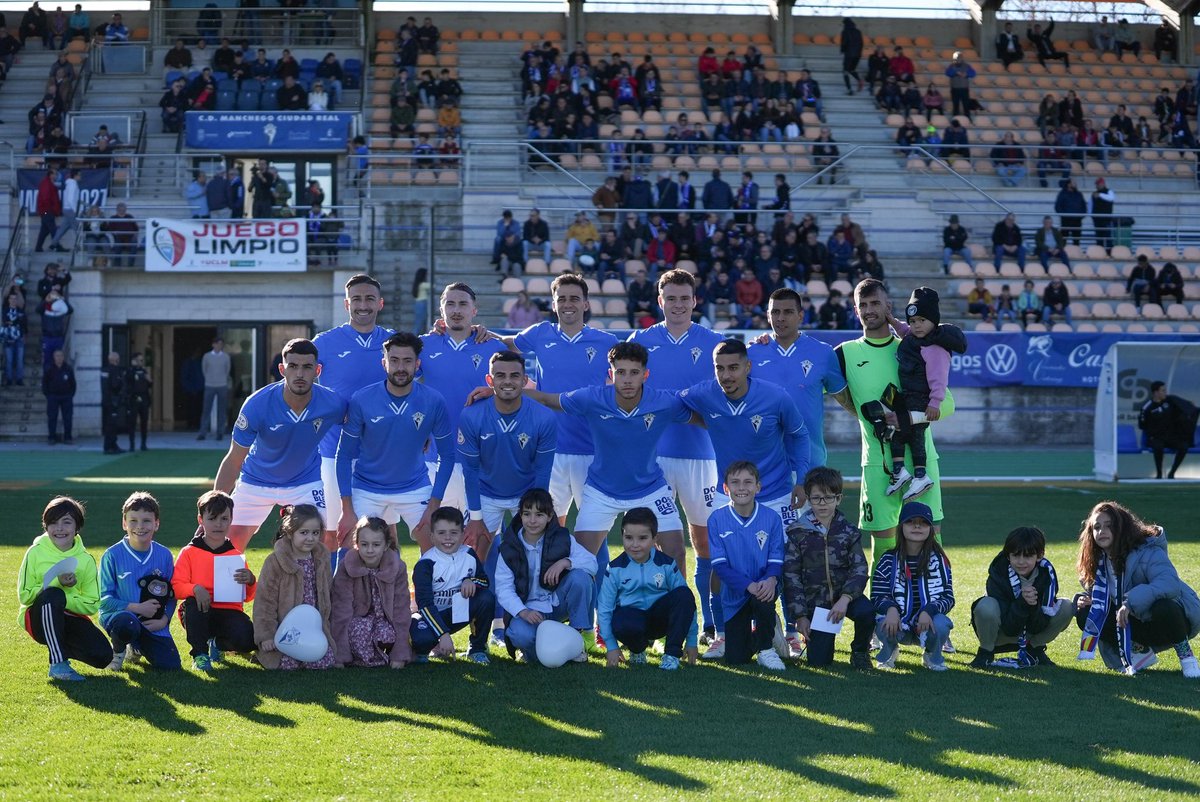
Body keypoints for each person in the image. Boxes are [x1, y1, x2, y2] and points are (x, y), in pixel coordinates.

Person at [679, 337, 811, 658]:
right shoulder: (704, 394)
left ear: (748, 367)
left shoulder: (775, 397)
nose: (726, 375)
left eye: (734, 367)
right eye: (719, 368)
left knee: (788, 562)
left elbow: (799, 435)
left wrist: (802, 479)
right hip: (730, 494)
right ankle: (722, 633)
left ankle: (791, 633)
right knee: (718, 562)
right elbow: (674, 405)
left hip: (777, 493)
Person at [832, 279, 951, 581]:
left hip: (922, 464)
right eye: (863, 305)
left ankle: (933, 608)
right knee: (883, 548)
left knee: (930, 543)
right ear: (855, 310)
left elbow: (948, 405)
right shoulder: (844, 354)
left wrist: (906, 418)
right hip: (878, 465)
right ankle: (882, 610)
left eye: (875, 303)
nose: (869, 310)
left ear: (889, 306)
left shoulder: (914, 348)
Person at [627, 270, 724, 606]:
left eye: (684, 298)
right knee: (661, 541)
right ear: (660, 301)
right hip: (655, 457)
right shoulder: (640, 341)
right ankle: (668, 614)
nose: (678, 304)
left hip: (703, 456)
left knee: (706, 541)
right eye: (671, 298)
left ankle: (711, 620)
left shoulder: (714, 342)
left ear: (695, 301)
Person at [214, 339, 348, 551]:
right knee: (225, 543)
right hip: (256, 481)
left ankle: (315, 576)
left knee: (319, 542)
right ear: (282, 369)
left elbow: (361, 422)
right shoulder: (257, 404)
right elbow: (234, 460)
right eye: (293, 366)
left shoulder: (333, 403)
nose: (300, 374)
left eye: (307, 367)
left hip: (304, 482)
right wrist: (215, 505)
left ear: (318, 370)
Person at [507, 273, 618, 528]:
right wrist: (475, 331)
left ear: (586, 304)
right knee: (546, 527)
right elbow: (504, 344)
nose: (568, 304)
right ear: (554, 304)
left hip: (590, 449)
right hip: (548, 449)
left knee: (592, 529)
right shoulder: (540, 333)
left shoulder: (607, 342)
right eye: (562, 299)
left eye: (574, 298)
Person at [336, 331, 453, 556]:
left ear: (417, 364)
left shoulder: (433, 400)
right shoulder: (362, 399)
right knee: (349, 553)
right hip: (367, 487)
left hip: (414, 486)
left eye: (407, 361)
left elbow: (447, 455)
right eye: (394, 360)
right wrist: (347, 509)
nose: (401, 367)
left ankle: (424, 582)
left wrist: (434, 505)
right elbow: (344, 455)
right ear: (384, 363)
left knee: (438, 549)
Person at [313, 275, 392, 554]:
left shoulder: (394, 341)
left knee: (386, 531)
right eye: (356, 299)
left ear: (380, 303)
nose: (363, 305)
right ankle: (330, 582)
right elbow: (301, 384)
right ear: (347, 304)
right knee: (333, 532)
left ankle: (387, 583)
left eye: (370, 298)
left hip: (383, 454)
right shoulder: (324, 343)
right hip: (334, 452)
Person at [1075, 501, 1199, 676]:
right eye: (1097, 527)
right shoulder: (1095, 562)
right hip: (1131, 624)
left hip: (1166, 621)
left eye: (1109, 526)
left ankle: (1187, 657)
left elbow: (1169, 584)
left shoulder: (1148, 550)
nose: (1102, 531)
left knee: (1164, 606)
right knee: (1085, 613)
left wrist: (1130, 602)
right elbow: (1103, 598)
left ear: (1122, 527)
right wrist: (1085, 600)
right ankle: (1139, 652)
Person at [457, 350, 556, 568]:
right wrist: (475, 517)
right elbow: (470, 471)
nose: (508, 381)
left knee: (534, 560)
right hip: (486, 493)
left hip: (526, 493)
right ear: (489, 380)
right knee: (472, 561)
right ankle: (480, 590)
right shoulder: (471, 415)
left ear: (525, 380)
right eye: (500, 375)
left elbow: (543, 470)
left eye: (514, 376)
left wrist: (536, 511)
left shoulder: (544, 417)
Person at [418, 283, 507, 514]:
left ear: (474, 310)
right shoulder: (423, 346)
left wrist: (494, 391)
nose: (456, 310)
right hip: (434, 457)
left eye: (463, 304)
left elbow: (517, 390)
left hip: (482, 458)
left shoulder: (494, 348)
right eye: (450, 304)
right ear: (441, 310)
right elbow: (400, 386)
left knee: (482, 530)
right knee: (435, 529)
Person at [783, 467, 875, 669]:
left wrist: (845, 599)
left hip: (845, 598)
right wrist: (801, 616)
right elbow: (791, 576)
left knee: (867, 611)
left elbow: (859, 568)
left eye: (828, 497)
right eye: (816, 498)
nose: (822, 503)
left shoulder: (849, 531)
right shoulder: (797, 532)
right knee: (819, 662)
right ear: (808, 499)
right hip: (817, 604)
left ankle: (860, 651)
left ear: (838, 498)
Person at [494, 489, 597, 664]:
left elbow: (592, 563)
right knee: (520, 635)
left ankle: (576, 640)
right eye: (527, 514)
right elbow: (503, 589)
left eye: (539, 514)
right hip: (529, 611)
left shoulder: (562, 538)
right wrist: (523, 611)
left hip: (557, 604)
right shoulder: (509, 547)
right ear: (520, 515)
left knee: (580, 577)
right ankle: (532, 653)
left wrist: (565, 562)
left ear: (550, 517)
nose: (532, 520)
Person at [747, 288, 845, 469]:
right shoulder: (751, 354)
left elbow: (844, 397)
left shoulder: (823, 353)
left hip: (810, 463)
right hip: (765, 467)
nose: (780, 318)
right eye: (775, 312)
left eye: (788, 312)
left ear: (801, 316)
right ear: (768, 316)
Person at [17, 496, 112, 681]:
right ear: (46, 526)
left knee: (103, 656)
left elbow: (92, 604)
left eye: (66, 522)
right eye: (53, 523)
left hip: (69, 617)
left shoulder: (85, 560)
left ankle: (59, 644)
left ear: (77, 527)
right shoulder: (35, 552)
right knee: (53, 594)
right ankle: (58, 664)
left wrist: (64, 600)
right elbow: (24, 595)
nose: (59, 528)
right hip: (37, 619)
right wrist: (55, 584)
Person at [887, 288, 965, 502]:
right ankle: (904, 472)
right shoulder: (913, 337)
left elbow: (939, 378)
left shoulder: (935, 348)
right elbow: (904, 331)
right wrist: (892, 321)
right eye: (913, 321)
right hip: (908, 396)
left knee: (911, 436)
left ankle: (917, 475)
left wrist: (935, 402)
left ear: (934, 321)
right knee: (903, 434)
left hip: (921, 399)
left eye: (922, 320)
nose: (917, 325)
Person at [707, 461, 787, 670]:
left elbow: (776, 560)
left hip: (764, 585)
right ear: (726, 488)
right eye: (735, 482)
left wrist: (771, 579)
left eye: (748, 482)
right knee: (736, 658)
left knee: (763, 597)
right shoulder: (716, 519)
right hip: (735, 592)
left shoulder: (771, 518)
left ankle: (766, 650)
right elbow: (720, 566)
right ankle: (767, 629)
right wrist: (747, 585)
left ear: (757, 487)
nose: (741, 487)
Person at [598, 507, 699, 671]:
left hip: (660, 620)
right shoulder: (615, 568)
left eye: (642, 538)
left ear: (654, 539)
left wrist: (692, 640)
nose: (635, 545)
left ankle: (672, 655)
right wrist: (611, 646)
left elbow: (687, 603)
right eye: (628, 538)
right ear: (622, 536)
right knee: (622, 622)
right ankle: (637, 650)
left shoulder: (666, 564)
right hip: (633, 621)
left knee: (683, 593)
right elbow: (604, 609)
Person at [172, 490, 257, 672]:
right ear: (200, 520)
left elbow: (247, 597)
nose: (218, 524)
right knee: (194, 603)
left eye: (224, 519)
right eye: (212, 518)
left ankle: (217, 644)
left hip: (229, 612)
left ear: (231, 520)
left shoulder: (235, 555)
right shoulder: (189, 552)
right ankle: (200, 655)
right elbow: (177, 587)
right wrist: (195, 589)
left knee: (249, 640)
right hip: (198, 612)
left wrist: (251, 581)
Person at [970, 525, 1074, 669]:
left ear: (1040, 556)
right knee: (986, 605)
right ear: (1008, 555)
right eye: (1016, 555)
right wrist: (1022, 602)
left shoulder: (1046, 575)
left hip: (1031, 632)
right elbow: (1009, 628)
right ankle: (985, 652)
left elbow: (1039, 625)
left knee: (1068, 607)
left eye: (1028, 556)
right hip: (1002, 633)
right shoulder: (998, 573)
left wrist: (1032, 605)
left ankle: (1035, 649)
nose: (1021, 561)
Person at [97, 492, 180, 671]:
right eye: (133, 521)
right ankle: (118, 651)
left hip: (152, 622)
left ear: (156, 524)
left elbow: (172, 595)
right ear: (124, 523)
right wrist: (137, 607)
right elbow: (102, 601)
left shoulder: (164, 555)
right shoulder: (112, 555)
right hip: (121, 618)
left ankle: (135, 647)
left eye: (146, 521)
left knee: (170, 665)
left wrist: (164, 620)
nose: (140, 526)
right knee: (127, 624)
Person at [871, 501, 955, 670]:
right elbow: (877, 596)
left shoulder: (939, 560)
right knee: (882, 622)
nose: (917, 526)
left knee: (941, 623)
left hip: (927, 623)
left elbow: (948, 597)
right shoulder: (888, 559)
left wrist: (928, 610)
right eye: (910, 521)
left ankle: (931, 654)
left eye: (923, 522)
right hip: (898, 623)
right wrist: (891, 609)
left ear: (931, 528)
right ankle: (890, 649)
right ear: (901, 526)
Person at [252, 504, 335, 670]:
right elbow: (264, 602)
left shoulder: (321, 559)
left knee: (322, 661)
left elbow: (329, 594)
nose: (310, 538)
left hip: (313, 628)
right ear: (290, 533)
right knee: (287, 663)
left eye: (315, 533)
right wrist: (266, 636)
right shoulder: (275, 561)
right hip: (285, 630)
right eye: (304, 533)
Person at [409, 507, 494, 664]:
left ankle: (477, 649)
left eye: (454, 532)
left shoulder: (469, 554)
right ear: (432, 536)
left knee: (486, 598)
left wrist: (471, 581)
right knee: (421, 638)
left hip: (458, 613)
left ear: (462, 534)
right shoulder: (425, 564)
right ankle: (421, 652)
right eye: (441, 533)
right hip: (432, 615)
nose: (448, 538)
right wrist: (443, 634)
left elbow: (484, 582)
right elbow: (425, 605)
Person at [330, 516, 412, 669]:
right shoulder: (346, 567)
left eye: (376, 544)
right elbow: (340, 610)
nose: (369, 550)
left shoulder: (397, 567)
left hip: (385, 622)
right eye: (364, 544)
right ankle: (359, 655)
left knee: (387, 634)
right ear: (356, 544)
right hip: (357, 621)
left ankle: (384, 653)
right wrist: (339, 655)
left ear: (386, 545)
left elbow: (401, 610)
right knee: (359, 630)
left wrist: (400, 653)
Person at [1139, 381, 1198, 479]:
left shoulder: (1170, 400)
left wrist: (1191, 406)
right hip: (1156, 437)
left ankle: (1172, 472)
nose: (1165, 393)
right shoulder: (1147, 407)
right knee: (1158, 447)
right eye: (1163, 391)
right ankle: (1159, 474)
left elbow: (1186, 405)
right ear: (1156, 392)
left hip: (1171, 436)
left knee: (1184, 446)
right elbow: (1142, 425)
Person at [197, 336, 231, 440]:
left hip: (222, 385)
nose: (220, 346)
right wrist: (209, 379)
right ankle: (202, 433)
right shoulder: (207, 356)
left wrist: (222, 379)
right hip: (209, 385)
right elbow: (204, 369)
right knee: (206, 409)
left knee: (222, 410)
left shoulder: (226, 357)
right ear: (213, 344)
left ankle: (220, 433)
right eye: (218, 344)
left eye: (221, 344)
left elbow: (227, 370)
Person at [42, 348, 74, 445]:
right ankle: (52, 437)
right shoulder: (49, 369)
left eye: (61, 356)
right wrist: (48, 395)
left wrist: (70, 395)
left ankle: (68, 438)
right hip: (53, 397)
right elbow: (44, 383)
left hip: (66, 397)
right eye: (57, 356)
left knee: (68, 418)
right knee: (52, 418)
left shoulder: (68, 368)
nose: (59, 358)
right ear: (54, 357)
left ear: (63, 357)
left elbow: (73, 383)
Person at [124, 351, 152, 452]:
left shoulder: (144, 371)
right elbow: (128, 382)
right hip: (134, 398)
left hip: (144, 398)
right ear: (134, 360)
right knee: (132, 422)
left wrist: (149, 380)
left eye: (142, 360)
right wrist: (133, 368)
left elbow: (149, 384)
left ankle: (143, 444)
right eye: (140, 360)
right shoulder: (129, 371)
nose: (142, 362)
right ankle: (132, 444)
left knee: (144, 421)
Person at [35, 166, 61, 253]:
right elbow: (46, 198)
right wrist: (50, 210)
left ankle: (38, 247)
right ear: (51, 175)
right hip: (46, 211)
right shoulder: (46, 184)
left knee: (44, 230)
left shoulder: (49, 183)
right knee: (53, 228)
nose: (56, 176)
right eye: (55, 174)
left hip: (46, 210)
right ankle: (57, 246)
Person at [944, 52, 975, 120]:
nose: (958, 59)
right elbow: (947, 73)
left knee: (966, 105)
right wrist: (955, 72)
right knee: (955, 105)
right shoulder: (952, 66)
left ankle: (968, 119)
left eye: (960, 58)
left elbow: (973, 73)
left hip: (964, 89)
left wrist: (966, 74)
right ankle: (955, 119)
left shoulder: (967, 66)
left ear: (962, 58)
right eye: (957, 58)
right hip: (955, 89)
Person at [1055, 179, 1087, 246]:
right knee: (1063, 240)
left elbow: (1084, 206)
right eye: (1073, 183)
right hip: (1066, 221)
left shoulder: (1079, 194)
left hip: (1077, 221)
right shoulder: (1062, 194)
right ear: (1069, 184)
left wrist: (1081, 216)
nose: (1075, 184)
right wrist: (1064, 215)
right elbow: (1058, 206)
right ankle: (1062, 251)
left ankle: (1076, 251)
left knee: (1076, 241)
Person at [1091, 178, 1116, 254]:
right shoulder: (1094, 193)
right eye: (1096, 184)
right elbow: (1090, 205)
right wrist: (1091, 215)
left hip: (1106, 220)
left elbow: (1111, 198)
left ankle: (1109, 253)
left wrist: (1100, 195)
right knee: (1099, 238)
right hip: (1097, 220)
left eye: (1098, 184)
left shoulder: (1109, 191)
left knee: (1108, 238)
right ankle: (1099, 253)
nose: (1097, 186)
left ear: (1103, 184)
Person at [840, 18, 864, 94]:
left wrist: (842, 50)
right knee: (852, 70)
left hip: (849, 54)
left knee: (845, 72)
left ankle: (849, 89)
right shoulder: (858, 31)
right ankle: (859, 80)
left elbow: (844, 42)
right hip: (857, 55)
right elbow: (861, 43)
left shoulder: (845, 31)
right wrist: (859, 53)